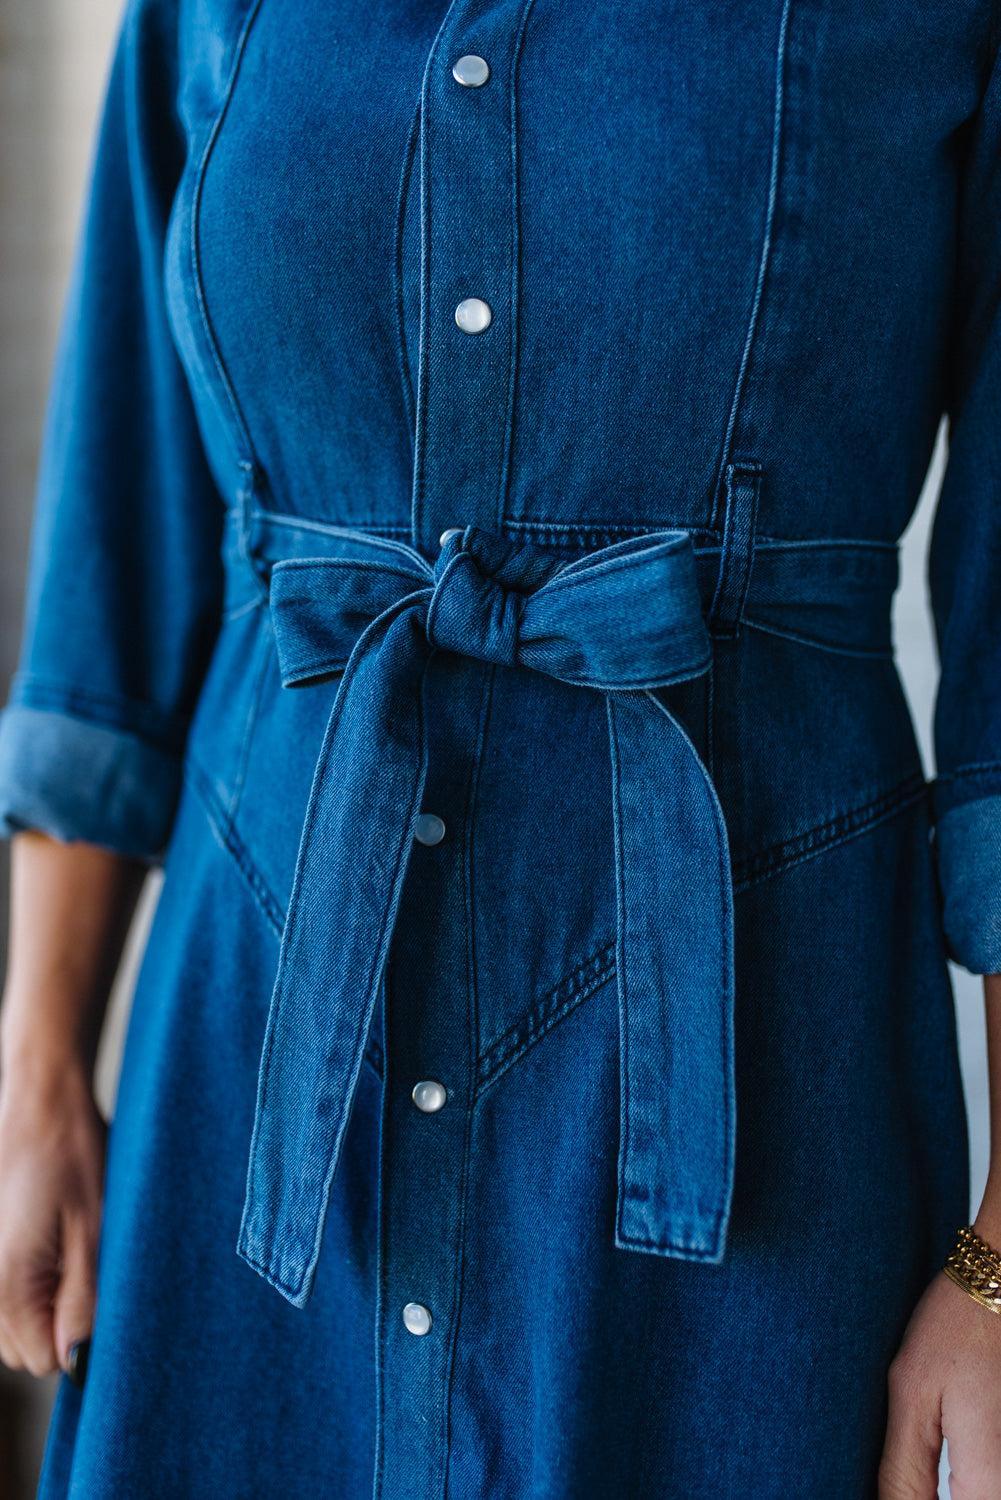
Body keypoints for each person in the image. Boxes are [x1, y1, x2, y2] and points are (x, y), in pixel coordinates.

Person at [0, 0, 1000, 1494]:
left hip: (749, 1109)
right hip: (252, 1080)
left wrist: (999, 1271)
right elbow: (122, 567)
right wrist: (36, 1072)